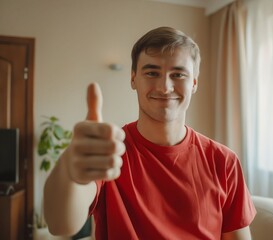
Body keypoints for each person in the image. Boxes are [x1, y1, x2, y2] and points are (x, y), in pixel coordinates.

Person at [44, 26, 256, 240]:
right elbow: (60, 225)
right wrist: (70, 171)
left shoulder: (223, 161)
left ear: (194, 83)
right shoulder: (109, 153)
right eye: (152, 73)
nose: (165, 87)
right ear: (133, 79)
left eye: (178, 74)